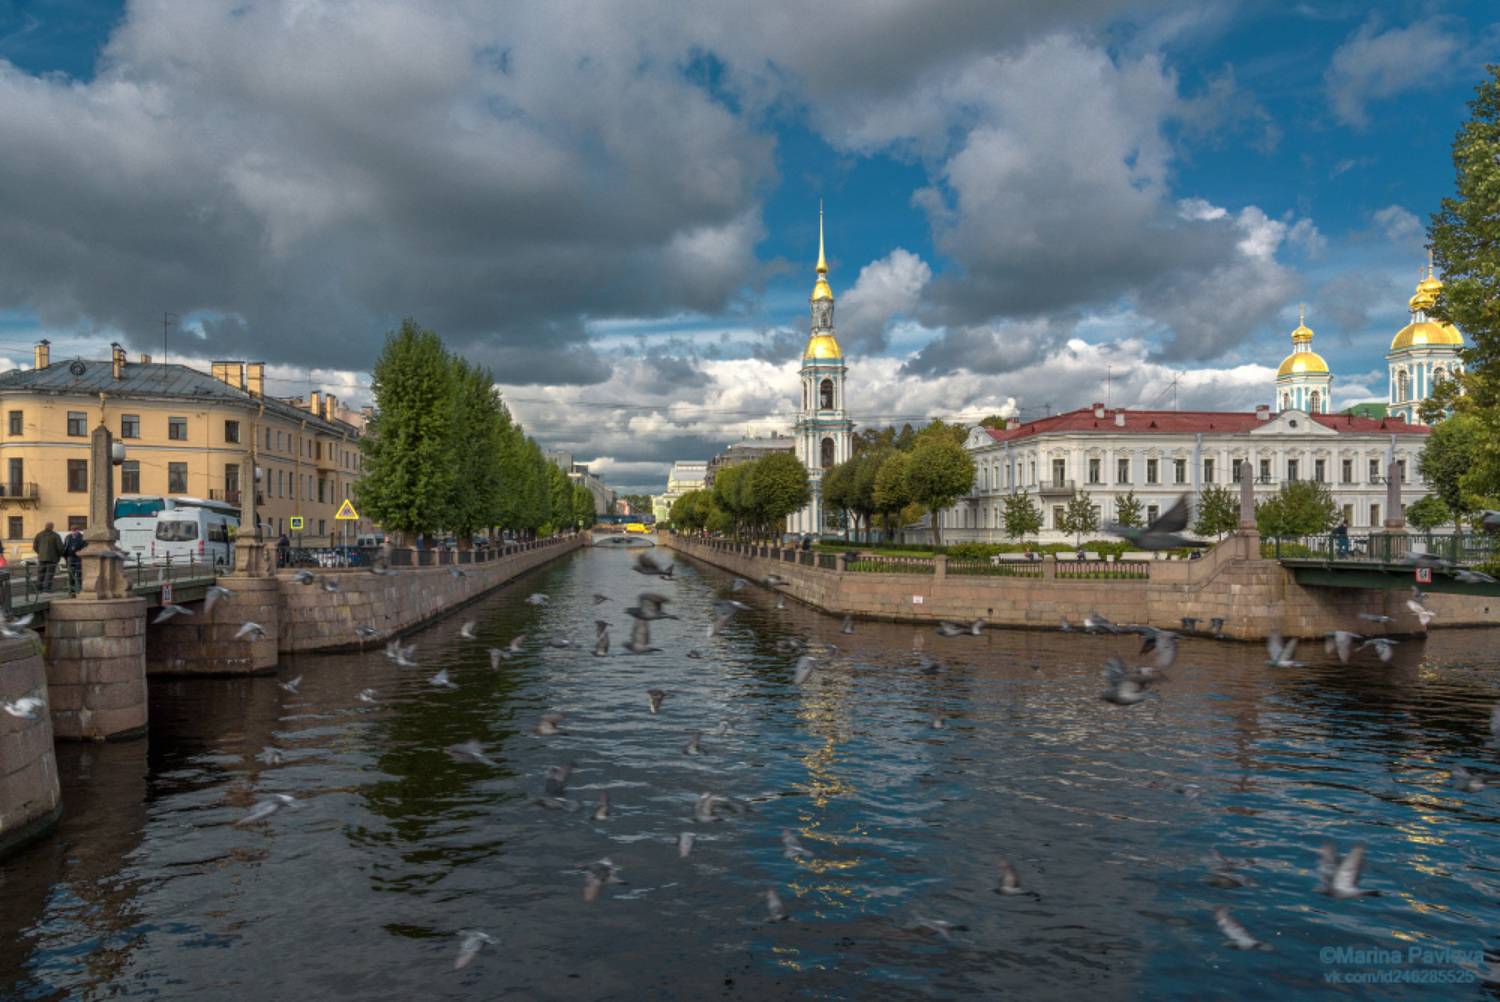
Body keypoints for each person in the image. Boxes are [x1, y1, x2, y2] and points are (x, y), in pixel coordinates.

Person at [33, 521, 62, 592]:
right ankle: (46, 589)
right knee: (49, 573)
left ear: (45, 526)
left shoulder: (39, 535)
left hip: (42, 558)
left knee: (40, 573)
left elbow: (35, 546)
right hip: (52, 558)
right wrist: (59, 555)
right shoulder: (55, 535)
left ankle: (38, 588)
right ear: (52, 527)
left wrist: (40, 553)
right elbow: (60, 548)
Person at [61, 525, 86, 592]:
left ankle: (80, 588)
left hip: (79, 558)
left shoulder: (82, 537)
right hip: (70, 557)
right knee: (71, 573)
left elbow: (85, 547)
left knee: (79, 574)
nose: (73, 531)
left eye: (75, 530)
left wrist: (81, 552)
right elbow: (65, 546)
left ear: (78, 530)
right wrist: (64, 555)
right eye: (72, 530)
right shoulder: (68, 537)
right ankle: (71, 588)